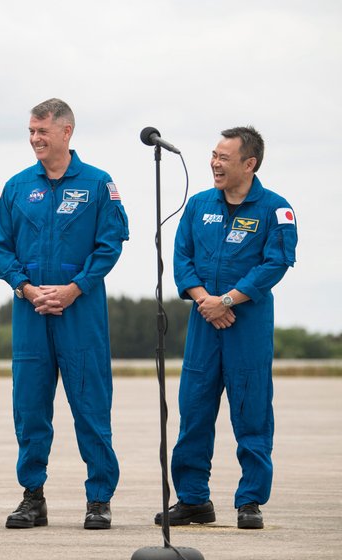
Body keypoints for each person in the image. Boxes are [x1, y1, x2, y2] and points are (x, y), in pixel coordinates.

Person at [0, 98, 128, 531]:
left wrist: (74, 289)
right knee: (30, 408)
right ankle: (33, 497)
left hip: (80, 313)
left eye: (42, 131)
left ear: (66, 132)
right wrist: (26, 288)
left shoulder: (97, 184)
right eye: (31, 131)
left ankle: (99, 499)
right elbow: (1, 248)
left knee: (91, 406)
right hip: (30, 312)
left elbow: (109, 245)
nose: (35, 139)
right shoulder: (16, 187)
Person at [155, 126, 297, 530]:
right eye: (213, 155)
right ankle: (194, 500)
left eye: (224, 157)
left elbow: (275, 263)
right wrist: (206, 301)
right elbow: (182, 258)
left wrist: (229, 300)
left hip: (246, 325)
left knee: (251, 413)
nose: (214, 163)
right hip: (204, 324)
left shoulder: (275, 209)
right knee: (194, 412)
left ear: (249, 164)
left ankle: (250, 500)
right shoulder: (199, 205)